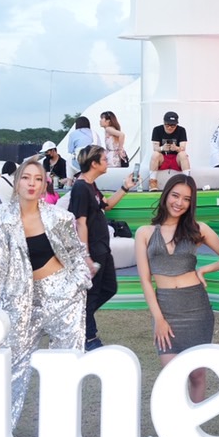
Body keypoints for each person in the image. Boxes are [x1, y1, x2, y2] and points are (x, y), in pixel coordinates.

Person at [0, 158, 96, 429]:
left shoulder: (60, 217)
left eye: (38, 179)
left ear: (44, 184)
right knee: (11, 366)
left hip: (63, 297)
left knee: (65, 367)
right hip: (19, 299)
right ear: (17, 182)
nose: (32, 184)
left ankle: (61, 434)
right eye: (26, 177)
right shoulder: (0, 216)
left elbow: (76, 255)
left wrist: (78, 284)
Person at [137, 173, 219, 406]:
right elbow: (146, 281)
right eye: (175, 195)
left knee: (197, 374)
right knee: (172, 375)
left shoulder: (199, 229)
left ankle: (194, 423)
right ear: (166, 195)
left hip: (196, 309)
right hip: (166, 309)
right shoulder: (144, 233)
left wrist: (205, 270)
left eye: (186, 199)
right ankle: (173, 425)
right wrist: (159, 319)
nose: (179, 203)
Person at [70, 144, 138, 350]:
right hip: (93, 250)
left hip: (103, 248)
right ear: (94, 163)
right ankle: (88, 337)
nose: (108, 162)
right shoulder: (80, 187)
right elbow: (80, 222)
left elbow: (106, 205)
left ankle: (78, 317)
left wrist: (125, 187)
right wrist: (85, 255)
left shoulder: (91, 186)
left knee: (109, 288)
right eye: (105, 159)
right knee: (91, 295)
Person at [149, 111, 193, 191]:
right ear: (164, 123)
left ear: (176, 124)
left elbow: (183, 147)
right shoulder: (157, 129)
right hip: (163, 158)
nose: (169, 128)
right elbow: (155, 148)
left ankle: (188, 181)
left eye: (173, 126)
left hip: (176, 158)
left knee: (183, 154)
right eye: (167, 125)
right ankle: (152, 181)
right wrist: (162, 148)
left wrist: (176, 148)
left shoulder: (181, 130)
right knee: (155, 154)